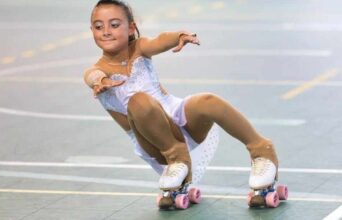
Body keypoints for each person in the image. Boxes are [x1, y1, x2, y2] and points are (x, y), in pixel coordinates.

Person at [84, 0, 279, 207]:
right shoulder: (98, 70)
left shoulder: (140, 48)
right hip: (155, 143)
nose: (106, 31)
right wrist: (100, 81)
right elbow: (91, 76)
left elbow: (159, 40)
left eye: (114, 25)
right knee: (138, 102)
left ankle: (262, 151)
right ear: (92, 30)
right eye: (98, 26)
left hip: (179, 119)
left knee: (207, 101)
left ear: (131, 27)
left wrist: (179, 36)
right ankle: (177, 160)